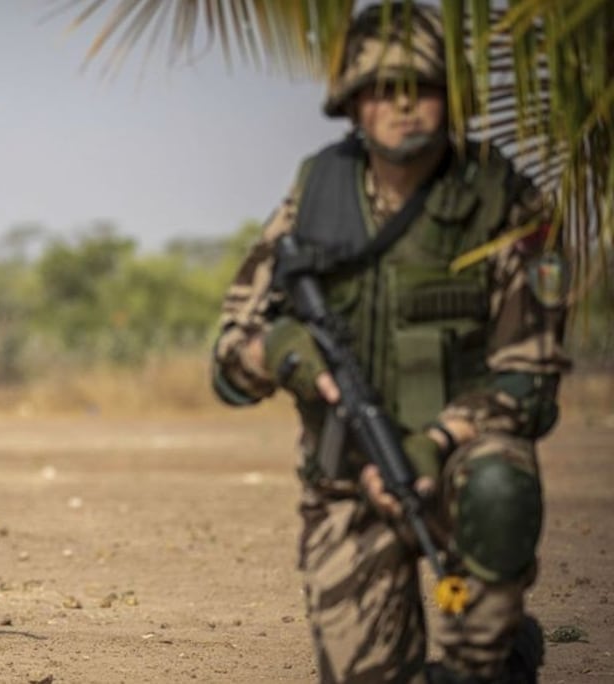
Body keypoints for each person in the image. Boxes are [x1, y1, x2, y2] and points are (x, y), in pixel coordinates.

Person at [209, 4, 569, 683]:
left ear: (450, 98)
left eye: (422, 89)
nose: (404, 108)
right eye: (382, 90)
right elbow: (230, 357)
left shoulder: (502, 200)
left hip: (461, 467)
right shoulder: (313, 196)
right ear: (353, 107)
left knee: (497, 493)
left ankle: (493, 657)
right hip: (347, 480)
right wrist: (284, 353)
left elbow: (532, 378)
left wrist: (436, 440)